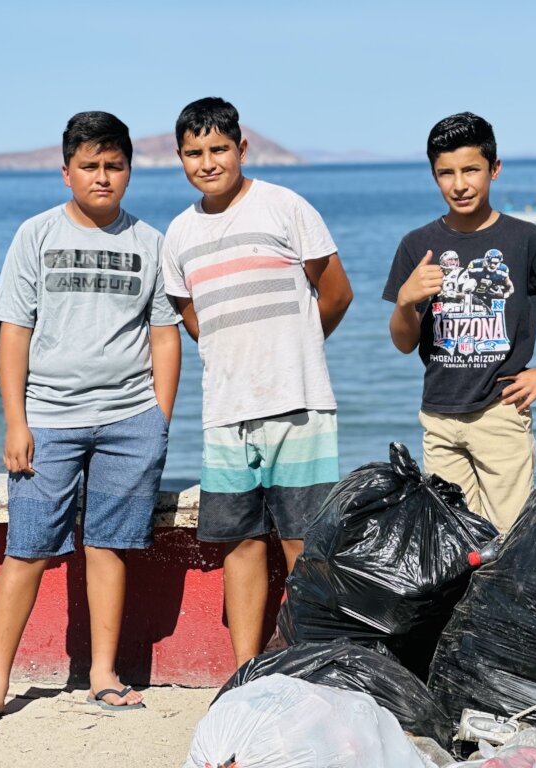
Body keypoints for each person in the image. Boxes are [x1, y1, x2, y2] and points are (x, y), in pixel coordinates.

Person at [0, 111, 182, 734]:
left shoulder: (151, 241)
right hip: (49, 421)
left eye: (114, 166)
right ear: (66, 171)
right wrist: (17, 421)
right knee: (27, 550)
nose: (102, 177)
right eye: (89, 166)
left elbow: (164, 335)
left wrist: (159, 421)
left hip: (129, 420)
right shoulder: (36, 236)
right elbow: (14, 333)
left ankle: (102, 676)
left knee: (109, 547)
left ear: (129, 171)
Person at [161, 97, 353, 668]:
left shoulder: (284, 207)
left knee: (304, 543)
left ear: (242, 148)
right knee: (239, 543)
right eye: (194, 153)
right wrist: (235, 357)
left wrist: (294, 348)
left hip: (299, 405)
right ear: (180, 158)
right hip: (225, 413)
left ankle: (312, 661)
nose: (208, 162)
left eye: (219, 149)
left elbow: (337, 294)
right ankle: (245, 668)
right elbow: (192, 316)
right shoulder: (179, 234)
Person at [383, 112, 536, 533]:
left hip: (500, 414)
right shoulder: (416, 245)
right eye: (446, 173)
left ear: (494, 170)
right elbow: (403, 342)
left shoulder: (524, 239)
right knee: (454, 538)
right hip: (438, 417)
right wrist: (406, 302)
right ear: (433, 176)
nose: (459, 184)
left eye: (471, 170)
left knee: (508, 534)